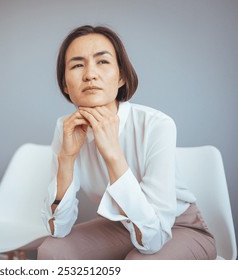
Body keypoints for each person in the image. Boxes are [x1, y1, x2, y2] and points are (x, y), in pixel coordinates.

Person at [38, 25, 216, 260]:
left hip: (178, 227)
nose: (90, 74)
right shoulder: (66, 127)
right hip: (119, 225)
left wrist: (112, 153)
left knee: (138, 265)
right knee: (51, 251)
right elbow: (57, 230)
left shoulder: (156, 124)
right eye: (77, 65)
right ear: (65, 84)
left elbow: (153, 240)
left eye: (102, 62)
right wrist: (66, 158)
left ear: (121, 76)